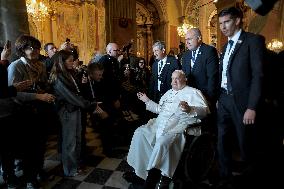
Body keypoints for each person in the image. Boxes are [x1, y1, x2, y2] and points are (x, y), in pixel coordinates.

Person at [127, 70, 209, 189]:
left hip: (178, 126)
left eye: (177, 78)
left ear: (185, 79)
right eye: (172, 79)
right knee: (140, 133)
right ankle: (140, 172)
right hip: (159, 124)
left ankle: (152, 179)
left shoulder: (193, 92)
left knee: (162, 143)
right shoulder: (168, 93)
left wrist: (189, 109)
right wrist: (147, 101)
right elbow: (160, 109)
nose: (174, 81)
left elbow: (204, 112)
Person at [217, 7, 265, 186]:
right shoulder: (224, 46)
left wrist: (252, 107)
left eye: (226, 22)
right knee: (222, 142)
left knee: (247, 145)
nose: (222, 27)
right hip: (223, 100)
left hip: (243, 103)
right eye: (220, 23)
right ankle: (225, 178)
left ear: (237, 20)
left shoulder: (253, 41)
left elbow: (257, 76)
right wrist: (218, 99)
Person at [49, 50, 95, 177]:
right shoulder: (58, 76)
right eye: (70, 60)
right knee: (70, 142)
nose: (73, 62)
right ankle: (70, 169)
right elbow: (71, 96)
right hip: (67, 111)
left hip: (76, 109)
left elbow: (77, 92)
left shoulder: (70, 73)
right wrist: (89, 105)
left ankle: (76, 164)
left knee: (77, 139)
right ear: (62, 62)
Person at [0, 42, 32, 189]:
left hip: (6, 113)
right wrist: (14, 89)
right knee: (5, 149)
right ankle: (8, 175)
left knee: (8, 149)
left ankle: (9, 174)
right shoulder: (15, 66)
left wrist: (3, 60)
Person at [182, 28, 219, 111]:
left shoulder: (209, 51)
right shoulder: (185, 55)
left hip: (205, 98)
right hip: (189, 98)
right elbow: (184, 77)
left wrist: (209, 98)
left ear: (199, 38)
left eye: (189, 39)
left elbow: (212, 77)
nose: (187, 42)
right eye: (186, 39)